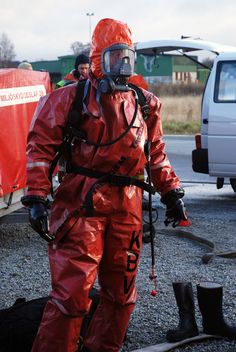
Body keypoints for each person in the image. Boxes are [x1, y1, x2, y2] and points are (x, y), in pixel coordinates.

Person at [21, 18, 188, 352]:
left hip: (127, 207)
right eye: (115, 57)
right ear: (99, 59)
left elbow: (155, 153)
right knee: (71, 296)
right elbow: (40, 148)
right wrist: (37, 197)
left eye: (127, 57)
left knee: (121, 295)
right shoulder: (70, 100)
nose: (122, 66)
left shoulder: (144, 104)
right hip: (81, 204)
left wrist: (171, 192)